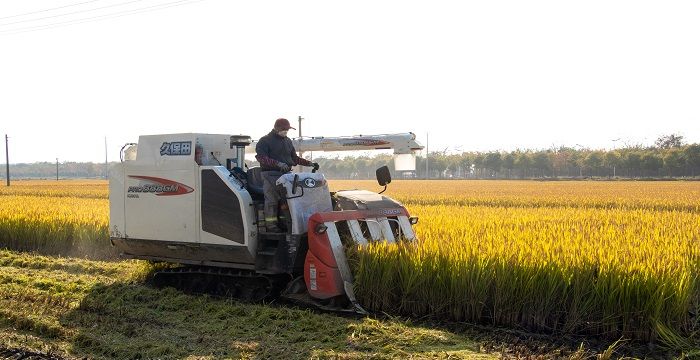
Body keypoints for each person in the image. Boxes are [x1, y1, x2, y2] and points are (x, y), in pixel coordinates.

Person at [255, 118, 319, 232]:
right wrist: (277, 164)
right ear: (276, 128)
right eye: (284, 129)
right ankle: (271, 226)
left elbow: (294, 158)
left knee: (288, 200)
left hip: (286, 175)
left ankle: (286, 223)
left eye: (287, 129)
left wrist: (309, 163)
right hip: (270, 174)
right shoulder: (265, 141)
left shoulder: (287, 141)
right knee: (272, 200)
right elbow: (261, 157)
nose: (286, 131)